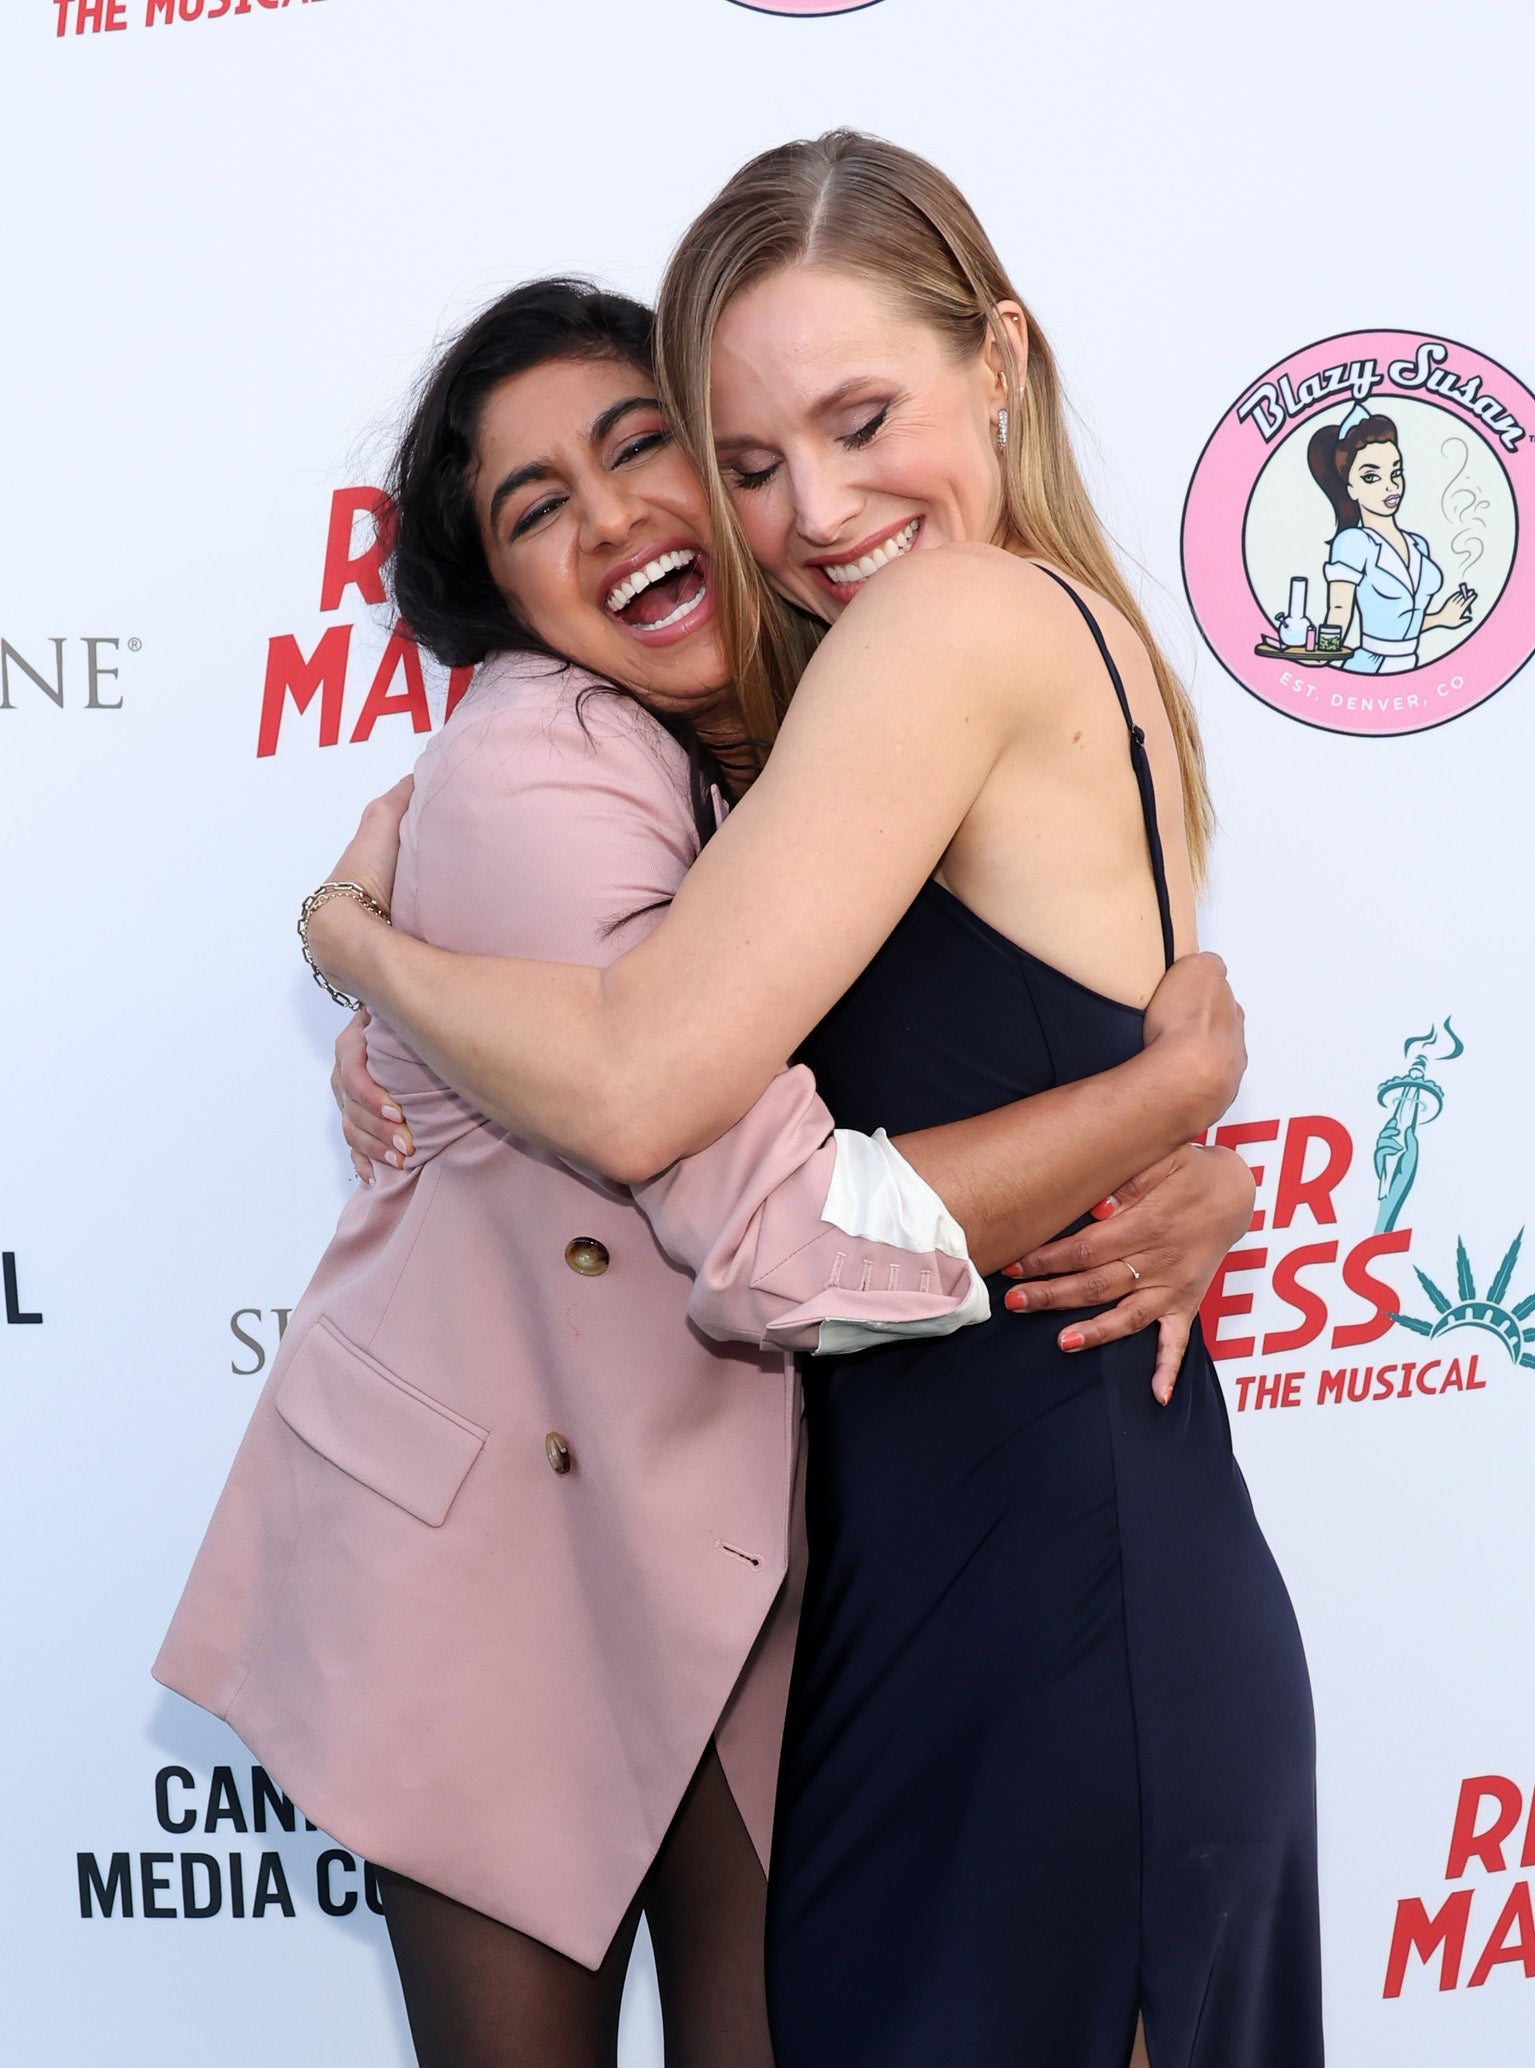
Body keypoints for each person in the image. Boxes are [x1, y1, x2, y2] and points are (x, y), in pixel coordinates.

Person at [157, 277, 1254, 2068]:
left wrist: (1178, 1155)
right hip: (502, 1556)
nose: (608, 518)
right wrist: (1168, 1095)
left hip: (753, 1552)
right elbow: (763, 1221)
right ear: (497, 592)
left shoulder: (817, 715)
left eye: (642, 446)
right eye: (537, 506)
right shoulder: (539, 762)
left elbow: (964, 1026)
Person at [1308, 402, 1475, 672]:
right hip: (1370, 666)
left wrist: (1441, 618)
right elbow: (1339, 610)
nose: (1390, 485)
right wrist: (1322, 655)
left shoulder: (1418, 545)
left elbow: (1401, 621)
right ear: (1351, 488)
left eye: (1395, 473)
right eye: (1372, 477)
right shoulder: (1353, 543)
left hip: (1410, 664)